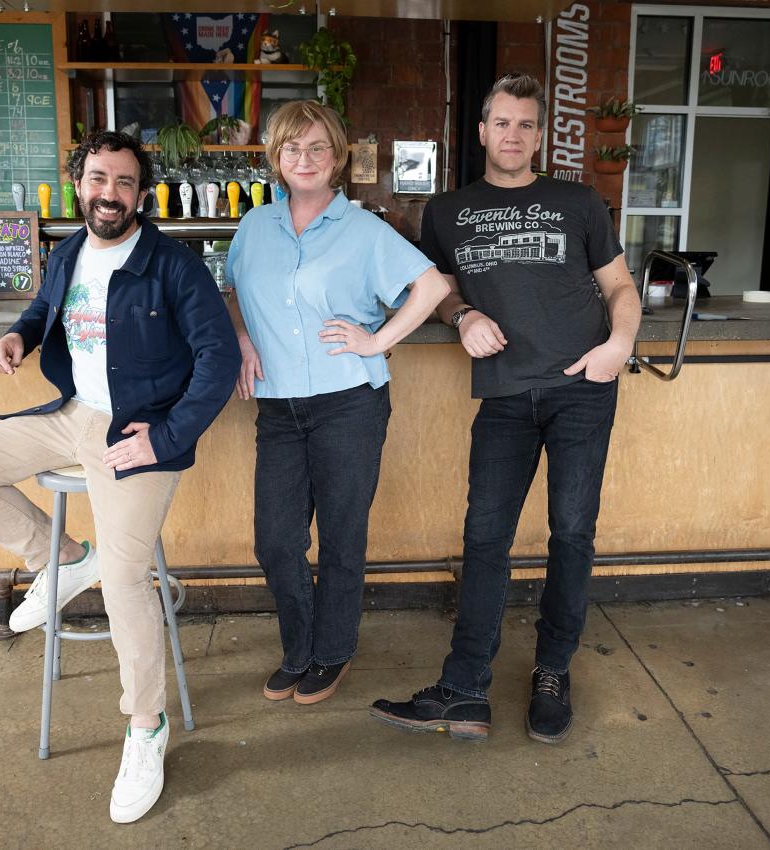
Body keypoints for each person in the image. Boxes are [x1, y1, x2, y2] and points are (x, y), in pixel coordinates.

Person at [0, 130, 240, 822]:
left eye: (125, 182)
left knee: (128, 582)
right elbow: (46, 312)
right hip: (67, 414)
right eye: (99, 179)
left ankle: (145, 727)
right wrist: (17, 335)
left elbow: (216, 362)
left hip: (134, 431)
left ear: (141, 193)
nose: (110, 193)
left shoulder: (172, 265)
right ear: (80, 183)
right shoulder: (67, 250)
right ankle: (64, 559)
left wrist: (165, 436)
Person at [369, 74, 641, 743]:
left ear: (539, 136)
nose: (512, 135)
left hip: (581, 387)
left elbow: (620, 286)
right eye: (501, 123)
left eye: (525, 125)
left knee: (571, 533)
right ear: (482, 130)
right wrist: (461, 315)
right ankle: (464, 691)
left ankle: (552, 671)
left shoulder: (578, 202)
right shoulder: (447, 210)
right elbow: (431, 288)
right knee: (484, 539)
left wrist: (620, 345)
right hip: (502, 394)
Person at [225, 100, 450, 705]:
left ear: (337, 157)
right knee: (275, 540)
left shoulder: (364, 230)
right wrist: (243, 337)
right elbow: (231, 287)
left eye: (317, 147)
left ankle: (333, 651)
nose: (305, 159)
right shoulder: (254, 228)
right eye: (292, 148)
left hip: (349, 403)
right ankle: (298, 650)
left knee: (343, 536)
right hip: (278, 407)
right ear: (276, 157)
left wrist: (376, 339)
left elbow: (432, 287)